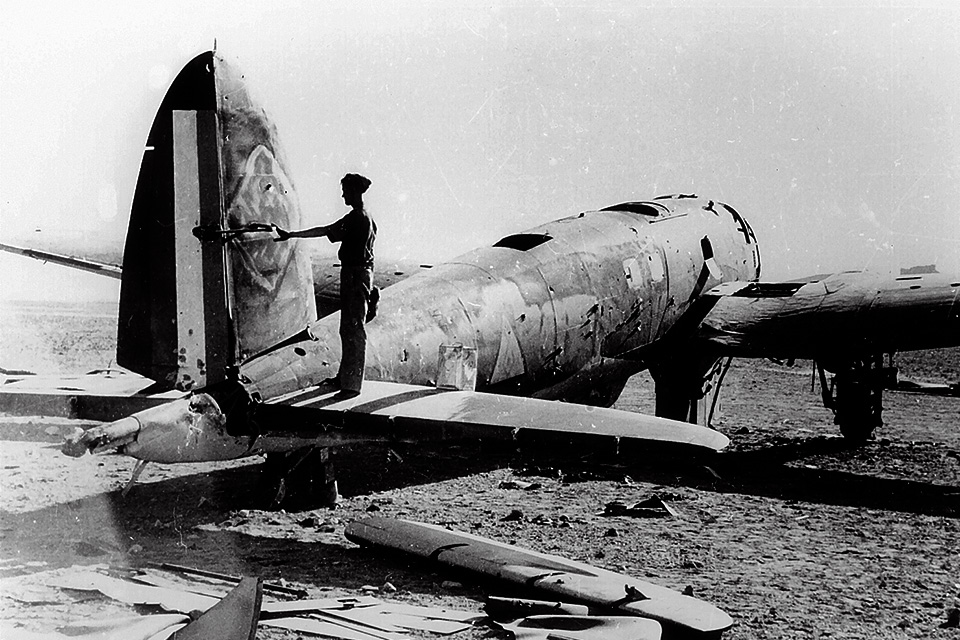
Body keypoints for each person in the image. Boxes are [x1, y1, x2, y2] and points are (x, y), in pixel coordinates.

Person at [275, 173, 376, 398]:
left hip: (354, 274)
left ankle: (351, 385)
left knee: (353, 329)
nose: (343, 195)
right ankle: (346, 378)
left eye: (346, 191)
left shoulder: (356, 218)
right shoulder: (366, 218)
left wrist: (291, 235)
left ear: (354, 192)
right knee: (350, 328)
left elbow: (324, 230)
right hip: (360, 274)